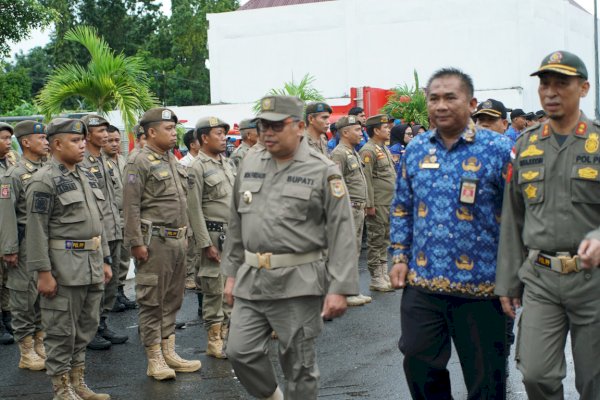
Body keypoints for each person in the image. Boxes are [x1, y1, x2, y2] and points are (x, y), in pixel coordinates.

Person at [222, 95, 358, 400]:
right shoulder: (250, 162)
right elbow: (235, 224)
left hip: (299, 282)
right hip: (251, 279)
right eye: (262, 125)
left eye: (275, 125)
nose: (267, 132)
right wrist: (230, 274)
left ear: (298, 126)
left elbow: (342, 232)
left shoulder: (322, 169)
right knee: (239, 351)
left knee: (299, 366)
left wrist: (339, 288)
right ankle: (272, 396)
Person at [389, 67, 512, 399]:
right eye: (434, 98)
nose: (440, 105)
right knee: (417, 359)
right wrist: (399, 255)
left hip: (483, 286)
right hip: (423, 282)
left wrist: (512, 278)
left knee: (486, 378)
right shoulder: (416, 150)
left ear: (470, 103)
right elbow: (402, 206)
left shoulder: (498, 148)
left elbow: (519, 215)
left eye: (450, 97)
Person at [495, 50, 600, 400]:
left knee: (594, 383)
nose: (550, 91)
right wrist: (508, 281)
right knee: (537, 376)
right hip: (541, 279)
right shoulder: (525, 146)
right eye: (544, 84)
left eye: (561, 83)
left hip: (594, 283)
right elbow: (513, 217)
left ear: (583, 88)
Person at [26, 118, 113, 400]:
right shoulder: (43, 180)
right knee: (61, 330)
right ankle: (61, 388)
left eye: (82, 140)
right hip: (64, 267)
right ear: (57, 144)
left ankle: (78, 382)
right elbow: (36, 230)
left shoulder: (85, 175)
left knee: (85, 328)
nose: (82, 145)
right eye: (75, 141)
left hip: (91, 262)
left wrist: (106, 259)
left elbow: (98, 221)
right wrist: (43, 272)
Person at [123, 107, 201, 381]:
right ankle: (154, 356)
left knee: (173, 298)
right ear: (152, 131)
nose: (173, 133)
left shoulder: (172, 159)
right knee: (152, 300)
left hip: (178, 241)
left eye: (174, 128)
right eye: (168, 129)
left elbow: (182, 202)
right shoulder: (138, 161)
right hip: (154, 243)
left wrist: (188, 234)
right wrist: (135, 242)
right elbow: (130, 206)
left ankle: (169, 351)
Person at [0, 121, 48, 370]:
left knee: (41, 295)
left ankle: (40, 343)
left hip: (44, 241)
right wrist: (9, 248)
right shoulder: (13, 174)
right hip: (24, 242)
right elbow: (7, 213)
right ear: (26, 142)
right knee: (23, 296)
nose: (46, 141)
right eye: (41, 138)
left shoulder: (48, 168)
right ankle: (26, 351)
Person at [80, 114, 128, 350]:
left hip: (115, 229)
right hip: (98, 234)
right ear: (88, 135)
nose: (106, 135)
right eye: (100, 131)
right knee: (98, 283)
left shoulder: (105, 161)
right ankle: (90, 330)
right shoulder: (83, 163)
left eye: (105, 130)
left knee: (113, 281)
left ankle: (103, 323)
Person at [187, 116, 234, 358]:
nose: (224, 137)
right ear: (204, 138)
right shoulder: (197, 167)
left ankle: (227, 335)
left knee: (230, 288)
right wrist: (205, 244)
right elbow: (193, 209)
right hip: (213, 237)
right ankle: (214, 341)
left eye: (224, 133)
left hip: (232, 236)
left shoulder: (226, 164)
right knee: (214, 289)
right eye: (218, 133)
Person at [330, 116, 372, 307]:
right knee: (347, 251)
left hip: (358, 208)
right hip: (349, 208)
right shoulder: (339, 154)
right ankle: (345, 292)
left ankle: (352, 289)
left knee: (354, 250)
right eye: (357, 129)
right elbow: (336, 184)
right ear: (345, 132)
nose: (361, 133)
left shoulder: (352, 152)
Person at [358, 114, 396, 292]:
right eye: (385, 127)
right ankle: (376, 277)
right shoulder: (368, 150)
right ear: (376, 130)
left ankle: (383, 273)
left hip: (388, 201)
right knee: (376, 239)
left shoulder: (383, 148)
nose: (389, 130)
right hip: (378, 203)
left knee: (385, 239)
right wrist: (369, 204)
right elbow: (366, 179)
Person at [103, 125, 137, 311]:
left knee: (124, 258)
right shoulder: (100, 164)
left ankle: (120, 291)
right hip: (111, 217)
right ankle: (112, 296)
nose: (114, 144)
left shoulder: (123, 160)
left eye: (117, 140)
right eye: (109, 141)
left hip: (126, 216)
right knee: (113, 259)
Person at [0, 122, 16, 345]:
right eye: (4, 138)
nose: (8, 142)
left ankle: (7, 318)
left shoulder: (12, 161)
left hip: (8, 228)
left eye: (9, 138)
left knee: (8, 279)